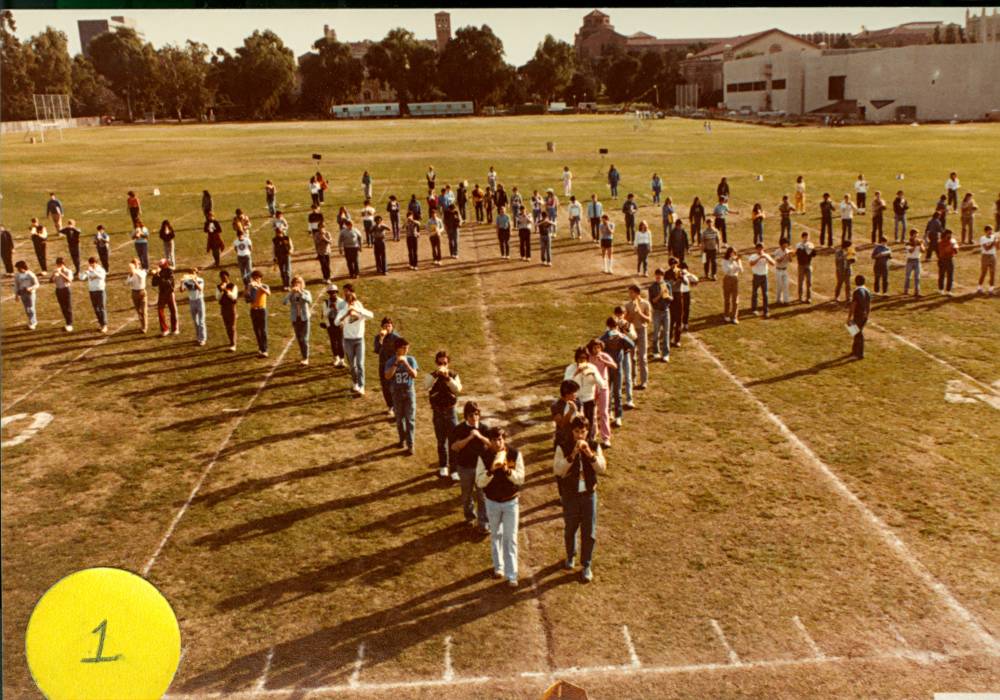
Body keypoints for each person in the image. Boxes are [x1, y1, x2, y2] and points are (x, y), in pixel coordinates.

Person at [553, 416, 607, 583]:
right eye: (577, 432)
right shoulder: (562, 447)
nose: (580, 436)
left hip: (589, 495)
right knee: (570, 529)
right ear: (572, 431)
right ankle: (570, 555)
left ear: (587, 431)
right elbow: (558, 470)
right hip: (571, 495)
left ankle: (586, 564)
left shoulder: (594, 445)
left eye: (583, 432)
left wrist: (589, 454)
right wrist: (574, 454)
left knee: (588, 532)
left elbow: (602, 468)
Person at [476, 426, 525, 587]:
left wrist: (507, 471)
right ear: (489, 442)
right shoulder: (484, 457)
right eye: (494, 440)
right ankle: (499, 567)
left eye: (500, 439)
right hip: (492, 502)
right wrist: (491, 471)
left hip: (511, 502)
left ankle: (512, 575)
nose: (498, 443)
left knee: (510, 538)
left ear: (504, 439)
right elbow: (479, 481)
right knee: (496, 534)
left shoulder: (514, 454)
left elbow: (520, 479)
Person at [451, 402, 491, 532]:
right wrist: (469, 437)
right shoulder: (459, 429)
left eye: (477, 414)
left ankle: (483, 522)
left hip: (481, 468)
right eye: (471, 415)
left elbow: (493, 445)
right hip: (465, 467)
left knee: (482, 496)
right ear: (466, 416)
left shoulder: (484, 428)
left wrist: (480, 436)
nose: (474, 418)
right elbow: (454, 447)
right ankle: (469, 517)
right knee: (467, 495)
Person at [426, 350, 463, 478]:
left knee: (453, 441)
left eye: (445, 363)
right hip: (438, 412)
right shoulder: (432, 375)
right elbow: (426, 385)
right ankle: (443, 466)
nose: (442, 365)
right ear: (436, 363)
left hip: (450, 411)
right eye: (440, 363)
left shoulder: (453, 375)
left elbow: (458, 389)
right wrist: (436, 375)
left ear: (448, 363)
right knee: (441, 441)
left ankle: (454, 469)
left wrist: (448, 378)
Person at [563, 346, 608, 442]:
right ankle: (573, 443)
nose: (582, 360)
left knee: (590, 423)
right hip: (575, 400)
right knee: (575, 424)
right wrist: (576, 373)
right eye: (580, 358)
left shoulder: (593, 367)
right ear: (576, 358)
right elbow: (566, 382)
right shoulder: (571, 368)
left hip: (589, 400)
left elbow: (602, 384)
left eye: (584, 358)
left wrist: (594, 375)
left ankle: (589, 442)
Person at [336, 290, 374, 395]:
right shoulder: (343, 310)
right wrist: (346, 315)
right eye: (349, 301)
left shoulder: (359, 308)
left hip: (359, 340)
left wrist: (357, 310)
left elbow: (371, 315)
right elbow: (336, 322)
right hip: (348, 341)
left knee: (360, 364)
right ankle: (355, 382)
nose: (351, 302)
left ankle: (362, 386)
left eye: (352, 300)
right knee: (352, 365)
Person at [599, 317, 634, 428]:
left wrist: (622, 336)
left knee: (615, 393)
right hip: (609, 368)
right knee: (609, 392)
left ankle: (617, 416)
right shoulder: (605, 337)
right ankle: (610, 413)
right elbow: (598, 346)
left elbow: (631, 345)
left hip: (616, 369)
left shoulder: (620, 337)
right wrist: (607, 338)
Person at [587, 339, 616, 449]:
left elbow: (615, 366)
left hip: (603, 387)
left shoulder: (604, 355)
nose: (597, 349)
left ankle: (606, 438)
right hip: (592, 387)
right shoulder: (588, 357)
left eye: (598, 347)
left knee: (604, 412)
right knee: (592, 413)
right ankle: (593, 435)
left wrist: (605, 361)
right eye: (594, 347)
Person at [625, 285, 651, 390]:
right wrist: (632, 314)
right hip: (631, 332)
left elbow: (649, 320)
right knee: (632, 357)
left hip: (641, 331)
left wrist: (639, 312)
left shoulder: (645, 304)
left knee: (643, 357)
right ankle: (633, 379)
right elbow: (626, 320)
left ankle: (644, 381)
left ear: (637, 293)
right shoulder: (627, 305)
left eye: (631, 293)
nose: (630, 295)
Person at [374, 317, 401, 416]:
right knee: (385, 387)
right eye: (385, 326)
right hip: (383, 365)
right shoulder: (378, 337)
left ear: (392, 326)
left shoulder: (396, 337)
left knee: (395, 386)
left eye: (389, 326)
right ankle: (390, 406)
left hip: (394, 365)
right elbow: (377, 350)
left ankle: (397, 405)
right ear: (382, 327)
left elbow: (401, 351)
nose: (387, 328)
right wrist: (381, 338)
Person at [283, 275, 312, 365]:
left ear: (302, 284)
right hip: (295, 318)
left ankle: (306, 357)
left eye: (299, 282)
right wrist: (291, 293)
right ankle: (304, 356)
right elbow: (284, 302)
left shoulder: (306, 292)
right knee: (299, 339)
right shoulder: (291, 294)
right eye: (295, 283)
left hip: (304, 318)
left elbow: (309, 301)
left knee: (304, 339)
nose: (297, 284)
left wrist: (300, 292)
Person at [319, 283, 346, 365]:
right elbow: (324, 314)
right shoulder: (326, 302)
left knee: (340, 342)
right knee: (333, 342)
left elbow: (344, 313)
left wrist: (336, 309)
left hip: (339, 323)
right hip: (330, 323)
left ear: (336, 292)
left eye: (334, 292)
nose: (332, 294)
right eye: (330, 292)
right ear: (328, 293)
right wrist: (330, 308)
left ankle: (342, 359)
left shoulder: (341, 302)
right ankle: (336, 358)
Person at [648, 268, 672, 361]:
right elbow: (652, 301)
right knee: (656, 333)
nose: (658, 276)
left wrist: (667, 296)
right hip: (657, 312)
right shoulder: (652, 287)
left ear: (663, 276)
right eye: (657, 274)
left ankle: (666, 354)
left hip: (666, 311)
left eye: (660, 275)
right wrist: (660, 295)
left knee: (666, 333)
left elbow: (671, 299)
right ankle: (656, 352)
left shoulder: (667, 285)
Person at [180, 268, 207, 346]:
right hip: (191, 301)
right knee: (195, 321)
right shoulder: (186, 281)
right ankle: (198, 337)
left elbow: (200, 289)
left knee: (201, 321)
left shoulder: (200, 280)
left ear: (196, 273)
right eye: (190, 273)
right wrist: (181, 282)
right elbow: (181, 290)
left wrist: (195, 281)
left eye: (193, 272)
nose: (192, 274)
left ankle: (202, 339)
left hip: (199, 300)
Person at [847, 275, 872, 360]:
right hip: (864, 316)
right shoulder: (867, 290)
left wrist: (849, 317)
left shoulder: (856, 291)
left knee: (857, 334)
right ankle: (854, 350)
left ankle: (859, 354)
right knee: (855, 333)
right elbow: (869, 305)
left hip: (858, 316)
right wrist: (867, 314)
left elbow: (853, 305)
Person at [151, 259, 178, 336]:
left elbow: (168, 283)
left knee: (172, 311)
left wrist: (159, 276)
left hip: (169, 293)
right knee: (160, 310)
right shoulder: (159, 272)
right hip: (162, 293)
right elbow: (154, 284)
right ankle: (164, 329)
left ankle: (175, 328)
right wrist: (155, 275)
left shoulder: (170, 271)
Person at [246, 270, 270, 357]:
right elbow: (247, 299)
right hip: (253, 310)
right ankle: (260, 348)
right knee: (256, 330)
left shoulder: (264, 286)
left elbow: (268, 293)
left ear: (260, 278)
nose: (256, 279)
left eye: (257, 278)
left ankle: (265, 350)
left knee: (263, 330)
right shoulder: (251, 287)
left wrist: (259, 286)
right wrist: (248, 288)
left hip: (262, 310)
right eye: (254, 278)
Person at [82, 256, 109, 333]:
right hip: (92, 291)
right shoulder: (89, 270)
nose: (91, 265)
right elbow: (81, 278)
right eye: (90, 264)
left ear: (96, 263)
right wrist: (85, 272)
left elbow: (101, 276)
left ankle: (104, 325)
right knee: (96, 309)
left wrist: (93, 271)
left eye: (93, 264)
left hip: (100, 290)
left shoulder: (101, 270)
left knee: (102, 308)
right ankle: (101, 324)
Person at [748, 243, 774, 318]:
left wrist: (767, 258)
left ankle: (766, 310)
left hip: (764, 276)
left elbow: (773, 263)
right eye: (758, 249)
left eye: (761, 248)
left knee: (765, 294)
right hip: (756, 276)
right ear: (756, 249)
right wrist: (759, 258)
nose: (760, 250)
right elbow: (751, 264)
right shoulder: (753, 256)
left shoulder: (766, 255)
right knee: (755, 293)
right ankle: (754, 309)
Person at [13, 261, 39, 329]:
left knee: (31, 308)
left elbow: (37, 284)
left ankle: (33, 322)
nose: (18, 269)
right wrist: (16, 295)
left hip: (30, 293)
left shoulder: (30, 274)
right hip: (22, 293)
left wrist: (30, 288)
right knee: (27, 308)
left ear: (23, 267)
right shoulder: (17, 275)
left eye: (19, 268)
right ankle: (31, 320)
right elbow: (16, 285)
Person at [50, 257, 74, 332]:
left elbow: (69, 280)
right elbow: (50, 281)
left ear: (63, 264)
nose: (59, 266)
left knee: (68, 307)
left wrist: (61, 273)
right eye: (58, 264)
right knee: (63, 307)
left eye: (60, 264)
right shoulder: (55, 271)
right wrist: (54, 275)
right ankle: (67, 322)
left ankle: (70, 324)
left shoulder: (68, 271)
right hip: (58, 290)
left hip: (66, 289)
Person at [217, 270, 238, 351]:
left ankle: (233, 344)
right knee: (227, 326)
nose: (223, 279)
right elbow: (218, 298)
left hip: (231, 307)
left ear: (227, 277)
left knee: (232, 326)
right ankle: (231, 341)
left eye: (224, 277)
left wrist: (226, 290)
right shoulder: (218, 287)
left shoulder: (233, 286)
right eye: (221, 277)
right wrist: (222, 291)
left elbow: (234, 297)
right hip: (223, 308)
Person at [721, 247, 742, 324]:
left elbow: (741, 270)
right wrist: (731, 262)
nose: (733, 254)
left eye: (734, 253)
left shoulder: (737, 260)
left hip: (735, 279)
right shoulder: (724, 261)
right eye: (732, 253)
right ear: (729, 253)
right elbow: (727, 271)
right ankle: (726, 315)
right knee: (727, 299)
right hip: (727, 279)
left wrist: (737, 262)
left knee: (735, 299)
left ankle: (734, 317)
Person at [795, 231, 816, 303]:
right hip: (801, 265)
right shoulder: (798, 245)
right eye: (805, 237)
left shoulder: (811, 245)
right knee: (800, 281)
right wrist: (803, 249)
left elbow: (814, 254)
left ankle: (809, 298)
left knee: (809, 282)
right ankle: (800, 297)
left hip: (808, 264)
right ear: (802, 237)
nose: (806, 238)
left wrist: (812, 249)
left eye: (807, 237)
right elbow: (798, 255)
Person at [903, 229, 925, 297]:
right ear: (912, 235)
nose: (917, 236)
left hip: (917, 260)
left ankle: (917, 292)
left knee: (917, 277)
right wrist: (915, 244)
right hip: (910, 260)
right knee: (908, 277)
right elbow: (911, 251)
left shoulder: (919, 242)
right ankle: (906, 291)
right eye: (916, 234)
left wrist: (921, 244)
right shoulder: (908, 242)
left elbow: (923, 251)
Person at [272, 223, 293, 290]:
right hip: (279, 257)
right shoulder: (275, 240)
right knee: (282, 271)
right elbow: (273, 249)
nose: (279, 234)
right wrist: (274, 257)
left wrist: (291, 251)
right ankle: (284, 284)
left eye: (280, 232)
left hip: (286, 256)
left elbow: (291, 246)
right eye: (278, 233)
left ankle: (288, 284)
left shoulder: (287, 238)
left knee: (287, 271)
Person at [937, 229, 958, 296]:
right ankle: (941, 289)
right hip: (942, 260)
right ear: (945, 235)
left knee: (950, 275)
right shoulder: (941, 242)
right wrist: (951, 246)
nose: (950, 236)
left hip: (950, 259)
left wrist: (955, 248)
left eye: (951, 234)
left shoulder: (952, 241)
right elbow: (943, 252)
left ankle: (949, 290)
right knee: (942, 275)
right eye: (949, 234)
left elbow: (956, 252)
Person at [978, 225, 997, 294]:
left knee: (992, 273)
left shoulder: (993, 237)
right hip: (985, 257)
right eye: (989, 230)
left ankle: (991, 289)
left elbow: (997, 247)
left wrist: (997, 242)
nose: (991, 232)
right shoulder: (983, 238)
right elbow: (986, 248)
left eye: (991, 230)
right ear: (986, 231)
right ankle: (979, 287)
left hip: (993, 256)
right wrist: (993, 242)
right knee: (984, 272)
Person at [773, 238, 792, 306]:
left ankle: (786, 300)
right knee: (779, 286)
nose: (786, 245)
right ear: (781, 244)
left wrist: (790, 255)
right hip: (778, 270)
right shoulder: (777, 251)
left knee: (786, 285)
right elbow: (778, 260)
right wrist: (785, 255)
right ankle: (778, 300)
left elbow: (790, 260)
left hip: (785, 270)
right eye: (784, 244)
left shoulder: (787, 251)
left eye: (786, 244)